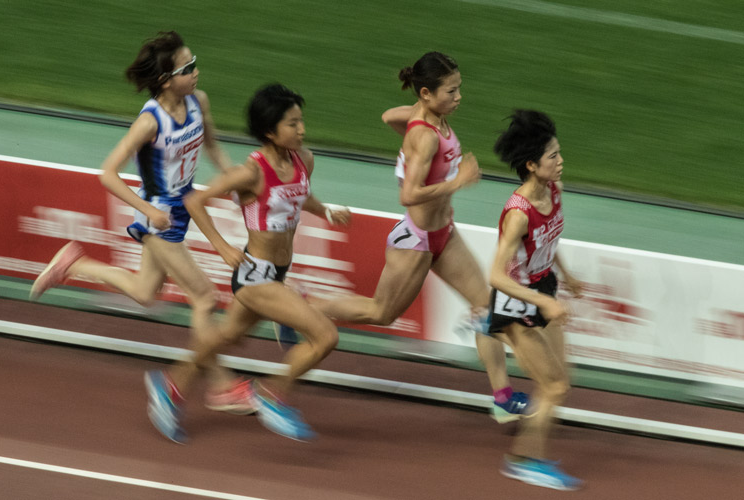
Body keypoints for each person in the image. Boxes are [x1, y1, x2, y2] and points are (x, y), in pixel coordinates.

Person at [311, 52, 529, 423]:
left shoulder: (428, 118)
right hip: (417, 240)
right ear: (427, 93)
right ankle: (304, 310)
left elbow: (389, 117)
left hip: (445, 233)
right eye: (451, 91)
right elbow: (408, 195)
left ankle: (502, 398)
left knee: (488, 310)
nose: (459, 97)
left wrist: (414, 125)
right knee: (381, 313)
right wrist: (455, 181)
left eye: (460, 88)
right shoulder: (425, 137)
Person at [29, 31, 238, 411]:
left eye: (195, 63)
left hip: (184, 207)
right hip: (159, 216)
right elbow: (108, 173)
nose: (196, 73)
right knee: (204, 298)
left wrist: (233, 179)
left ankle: (74, 264)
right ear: (164, 80)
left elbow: (212, 144)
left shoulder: (198, 101)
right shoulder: (149, 122)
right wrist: (149, 211)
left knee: (145, 293)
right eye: (186, 68)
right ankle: (221, 386)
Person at [143, 83, 351, 443]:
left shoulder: (305, 159)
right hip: (255, 276)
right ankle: (273, 393)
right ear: (270, 132)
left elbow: (302, 197)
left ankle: (170, 386)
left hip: (278, 273)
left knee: (227, 335)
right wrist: (222, 246)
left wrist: (327, 210)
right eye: (292, 124)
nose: (301, 129)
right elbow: (194, 201)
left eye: (301, 121)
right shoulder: (250, 173)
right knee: (325, 336)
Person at [487, 109, 583, 490]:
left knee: (560, 381)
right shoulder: (518, 214)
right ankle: (524, 460)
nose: (561, 162)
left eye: (559, 153)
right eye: (553, 157)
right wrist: (541, 303)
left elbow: (548, 241)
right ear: (531, 165)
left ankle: (527, 448)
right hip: (516, 305)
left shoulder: (553, 190)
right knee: (554, 386)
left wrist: (567, 276)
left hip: (544, 288)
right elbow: (495, 275)